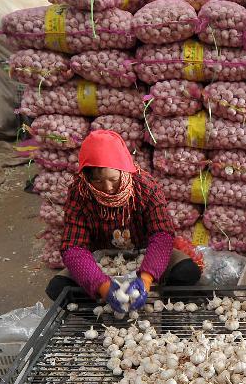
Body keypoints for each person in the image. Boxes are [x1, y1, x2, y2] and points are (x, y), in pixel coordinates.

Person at [45, 130, 200, 310]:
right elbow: (73, 247)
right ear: (86, 177)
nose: (108, 188)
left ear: (124, 170)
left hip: (145, 254)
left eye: (114, 179)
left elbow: (162, 235)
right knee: (57, 288)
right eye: (98, 182)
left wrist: (146, 278)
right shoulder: (80, 193)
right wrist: (102, 285)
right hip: (102, 261)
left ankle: (164, 313)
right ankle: (99, 315)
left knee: (188, 272)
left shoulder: (145, 188)